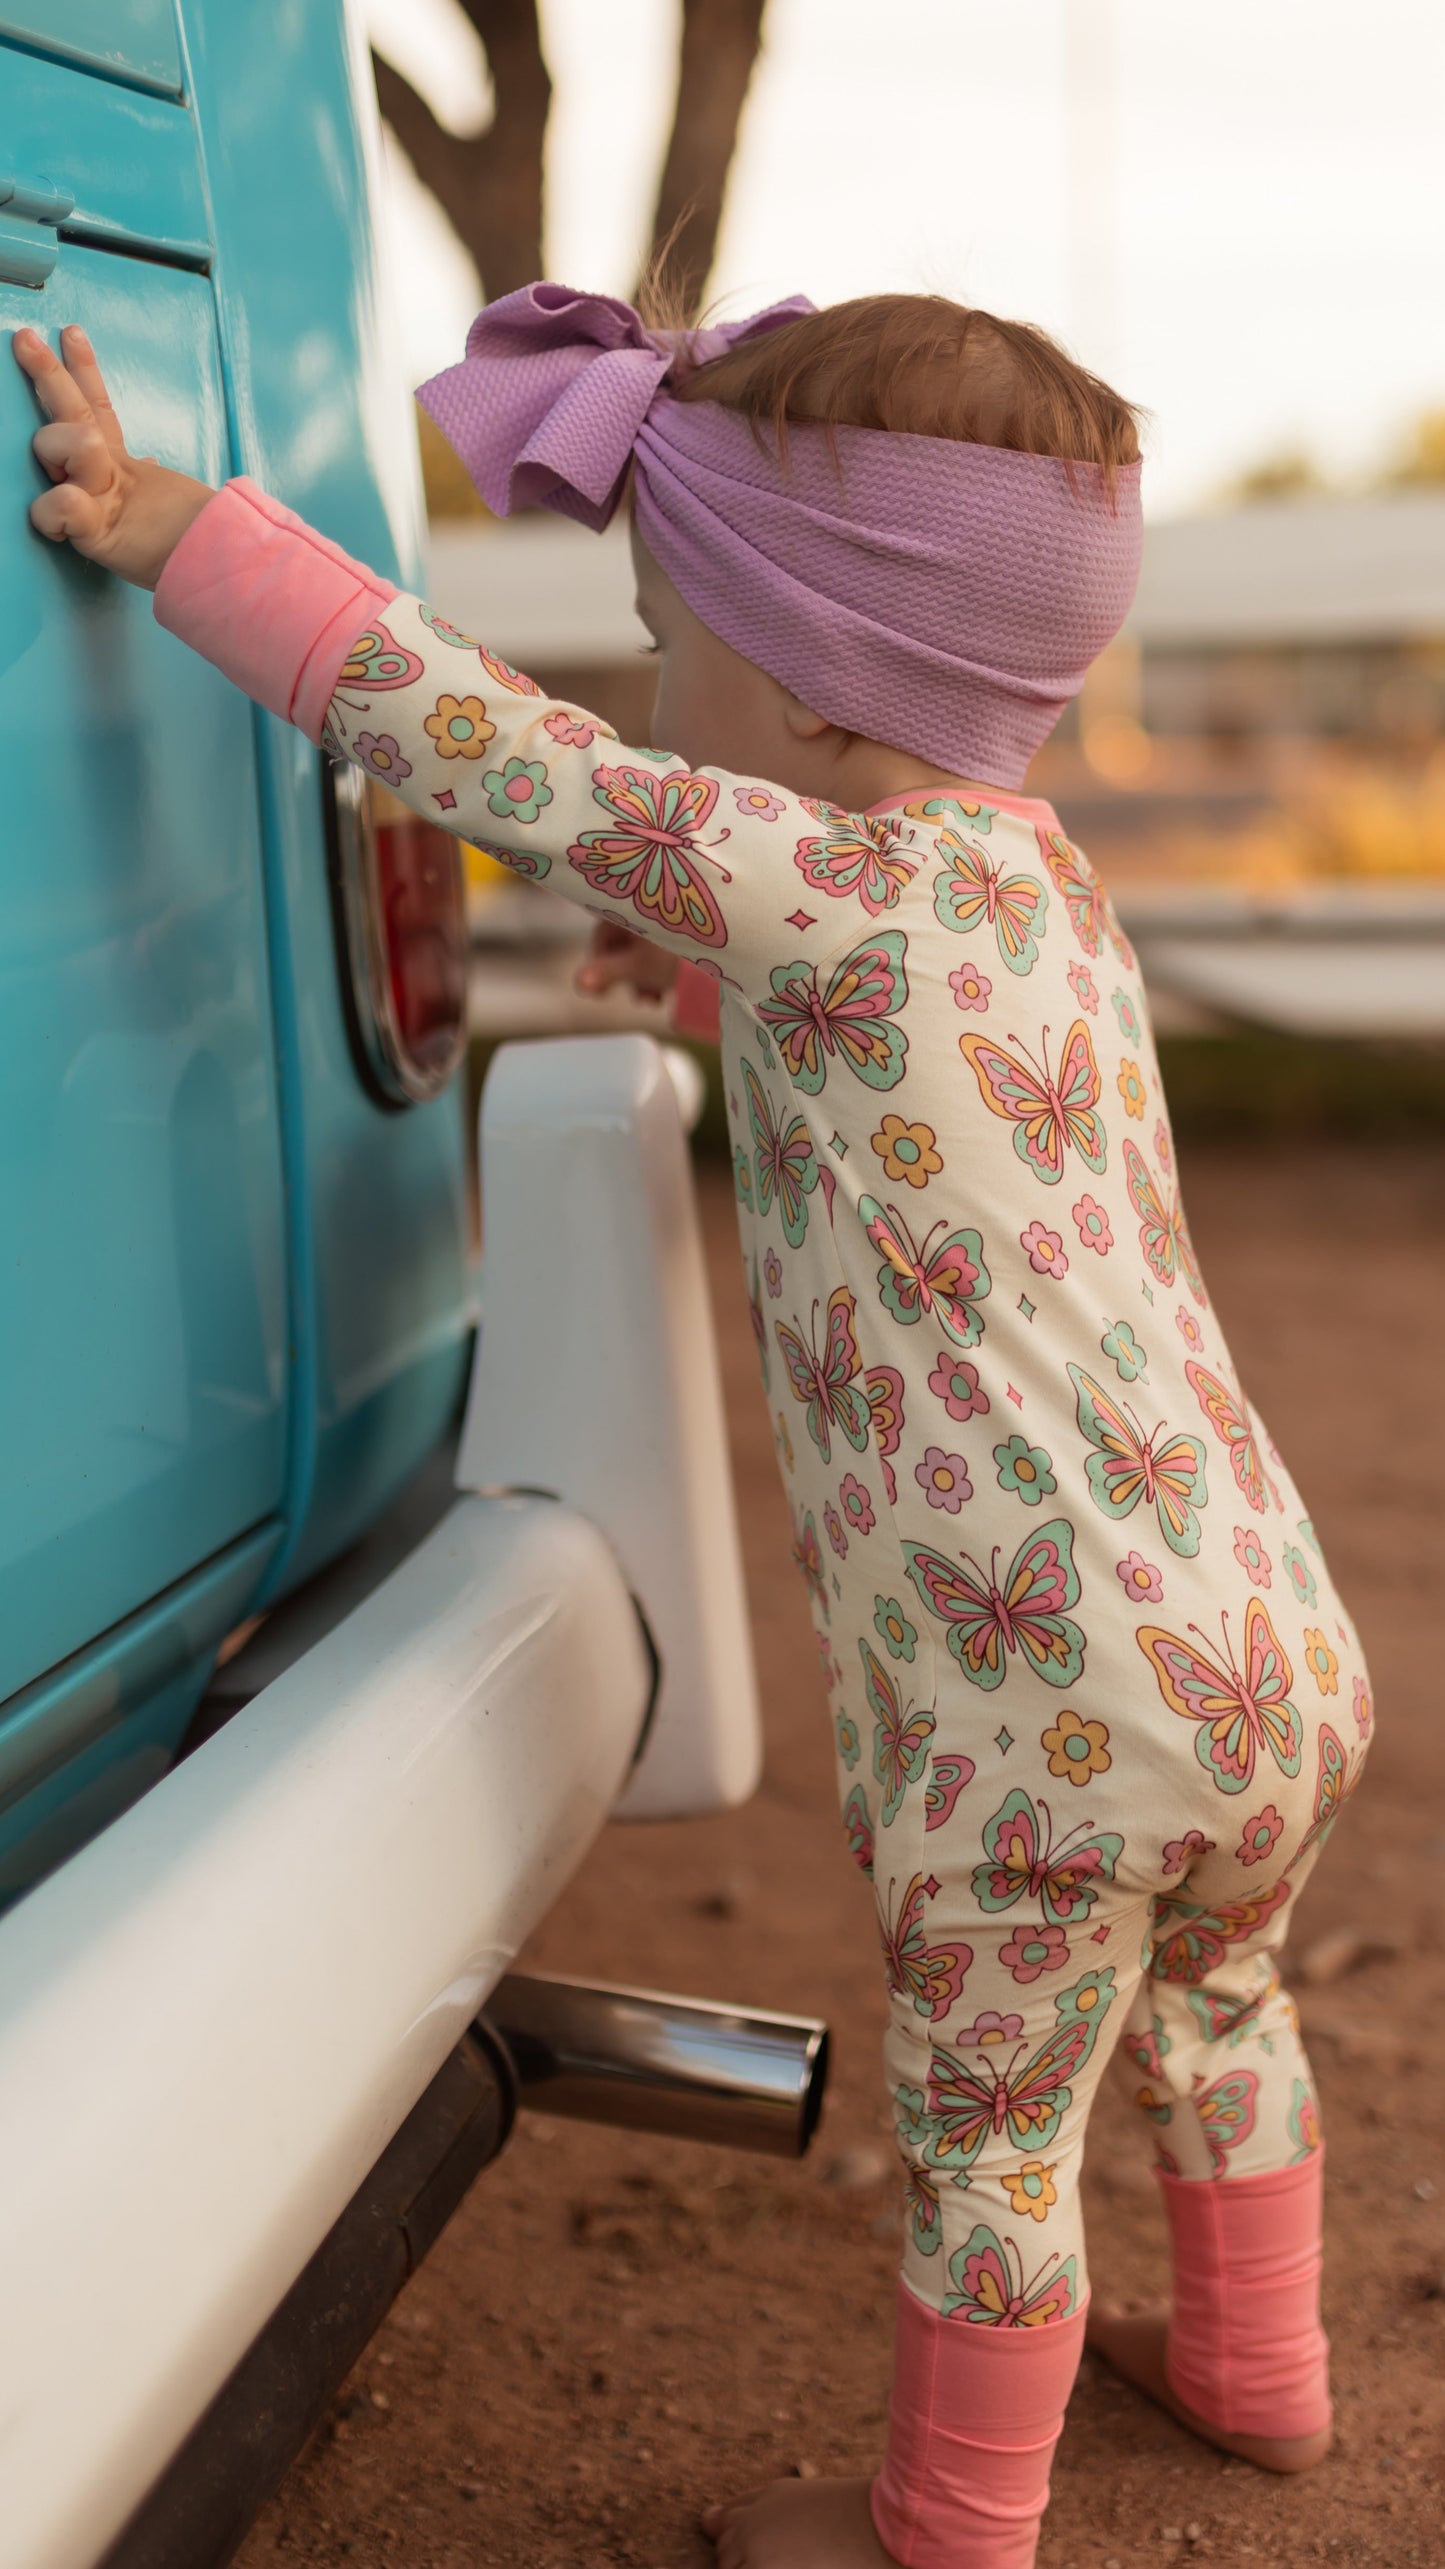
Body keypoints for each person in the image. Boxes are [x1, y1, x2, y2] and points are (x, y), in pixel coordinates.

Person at [11, 288, 1371, 2569]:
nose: (654, 695)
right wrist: (705, 956)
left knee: (993, 2136)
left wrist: (177, 529)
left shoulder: (815, 888)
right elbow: (912, 1048)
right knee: (1220, 1998)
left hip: (1047, 1715)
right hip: (1264, 1654)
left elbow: (479, 743)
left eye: (672, 642)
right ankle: (1260, 2371)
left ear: (815, 680)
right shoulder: (1038, 885)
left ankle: (944, 2528)